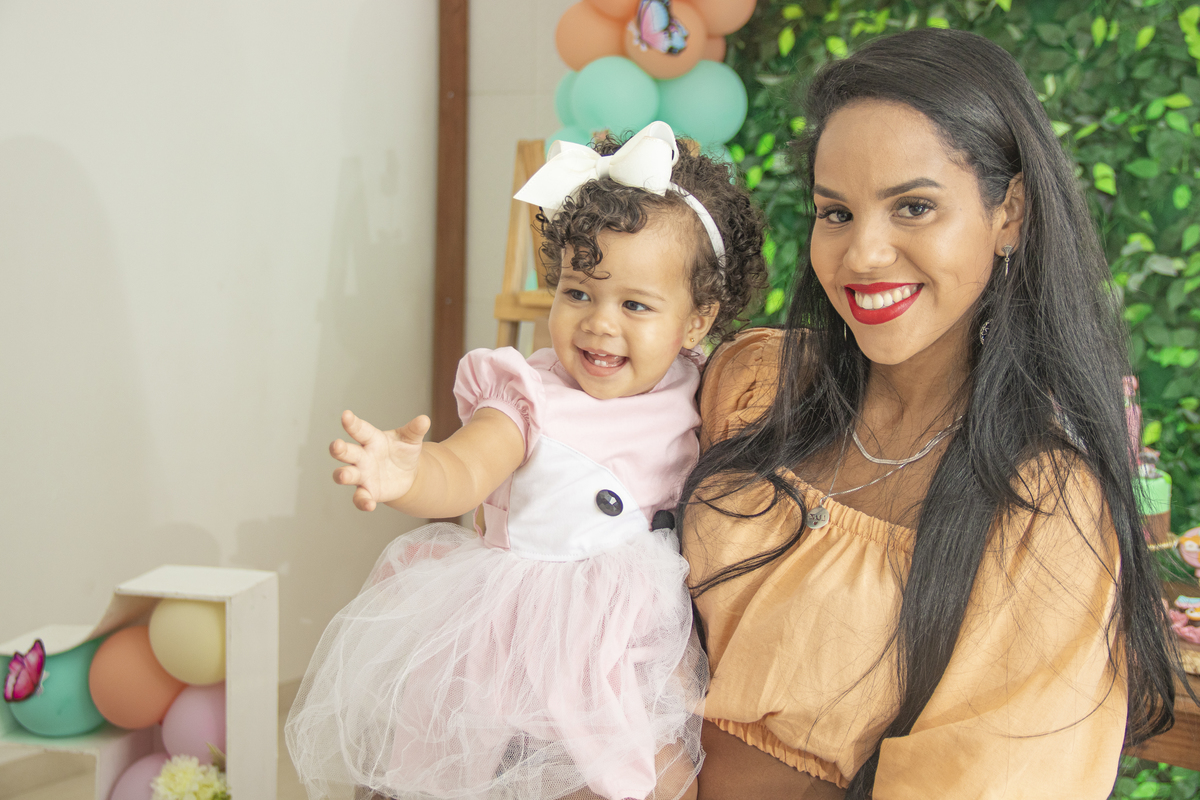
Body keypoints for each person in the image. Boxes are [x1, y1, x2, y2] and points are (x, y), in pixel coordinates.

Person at [679, 28, 1182, 799]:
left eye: (913, 206)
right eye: (836, 213)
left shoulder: (1044, 510)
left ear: (1010, 213)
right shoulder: (754, 383)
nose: (864, 254)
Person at [285, 121, 767, 800]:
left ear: (696, 320)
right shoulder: (527, 395)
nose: (599, 322)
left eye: (635, 304)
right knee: (510, 779)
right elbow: (465, 469)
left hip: (632, 648)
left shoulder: (698, 383)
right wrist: (411, 474)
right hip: (530, 640)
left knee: (665, 783)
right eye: (578, 292)